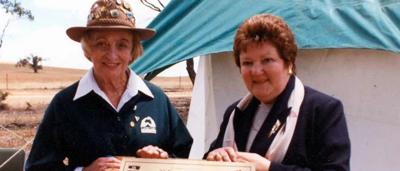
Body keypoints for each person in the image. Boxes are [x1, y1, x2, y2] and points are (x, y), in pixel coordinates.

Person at [25, 0, 193, 170]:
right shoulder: (65, 103)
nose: (112, 55)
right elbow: (37, 167)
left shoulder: (156, 99)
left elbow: (184, 155)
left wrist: (162, 160)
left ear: (132, 52)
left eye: (122, 45)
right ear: (88, 50)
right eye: (101, 44)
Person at [205, 14, 350, 171]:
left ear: (288, 62)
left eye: (267, 60)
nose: (256, 71)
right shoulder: (235, 114)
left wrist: (268, 168)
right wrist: (214, 156)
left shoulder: (322, 110)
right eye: (247, 63)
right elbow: (209, 162)